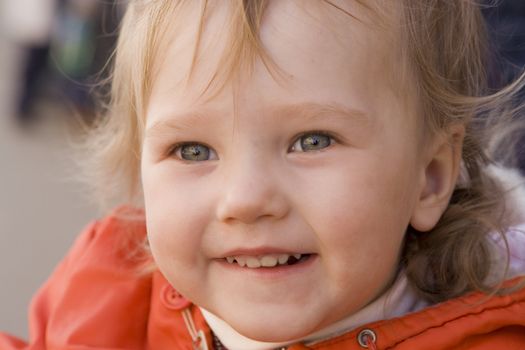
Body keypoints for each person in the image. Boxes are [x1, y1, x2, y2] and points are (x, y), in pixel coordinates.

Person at [1, 1, 525, 349]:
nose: (246, 199)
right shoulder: (103, 300)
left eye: (311, 141)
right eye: (192, 150)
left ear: (430, 177)